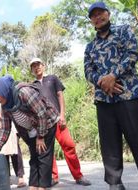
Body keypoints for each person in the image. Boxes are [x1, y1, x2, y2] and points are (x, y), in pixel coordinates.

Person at [84, 2, 138, 190]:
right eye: (94, 16)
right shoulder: (90, 46)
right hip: (104, 101)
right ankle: (115, 184)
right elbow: (88, 71)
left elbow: (132, 54)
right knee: (110, 145)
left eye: (101, 13)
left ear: (108, 14)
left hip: (129, 95)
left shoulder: (123, 31)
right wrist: (102, 82)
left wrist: (113, 76)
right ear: (91, 21)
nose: (98, 17)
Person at [0, 75, 60, 190]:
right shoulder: (5, 106)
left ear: (4, 90)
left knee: (43, 156)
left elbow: (41, 113)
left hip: (47, 123)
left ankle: (43, 187)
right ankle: (33, 186)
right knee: (34, 157)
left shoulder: (24, 92)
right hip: (31, 130)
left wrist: (41, 136)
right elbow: (5, 128)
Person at [29, 58, 91, 186]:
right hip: (44, 124)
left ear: (43, 65)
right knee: (48, 152)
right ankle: (54, 177)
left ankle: (78, 176)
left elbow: (60, 96)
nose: (37, 67)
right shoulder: (32, 86)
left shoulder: (53, 78)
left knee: (69, 146)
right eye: (33, 66)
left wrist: (62, 115)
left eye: (38, 64)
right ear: (32, 70)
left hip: (58, 120)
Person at [0, 112, 26, 188]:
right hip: (1, 131)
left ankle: (20, 177)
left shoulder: (11, 101)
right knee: (3, 157)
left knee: (16, 155)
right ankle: (7, 178)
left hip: (12, 129)